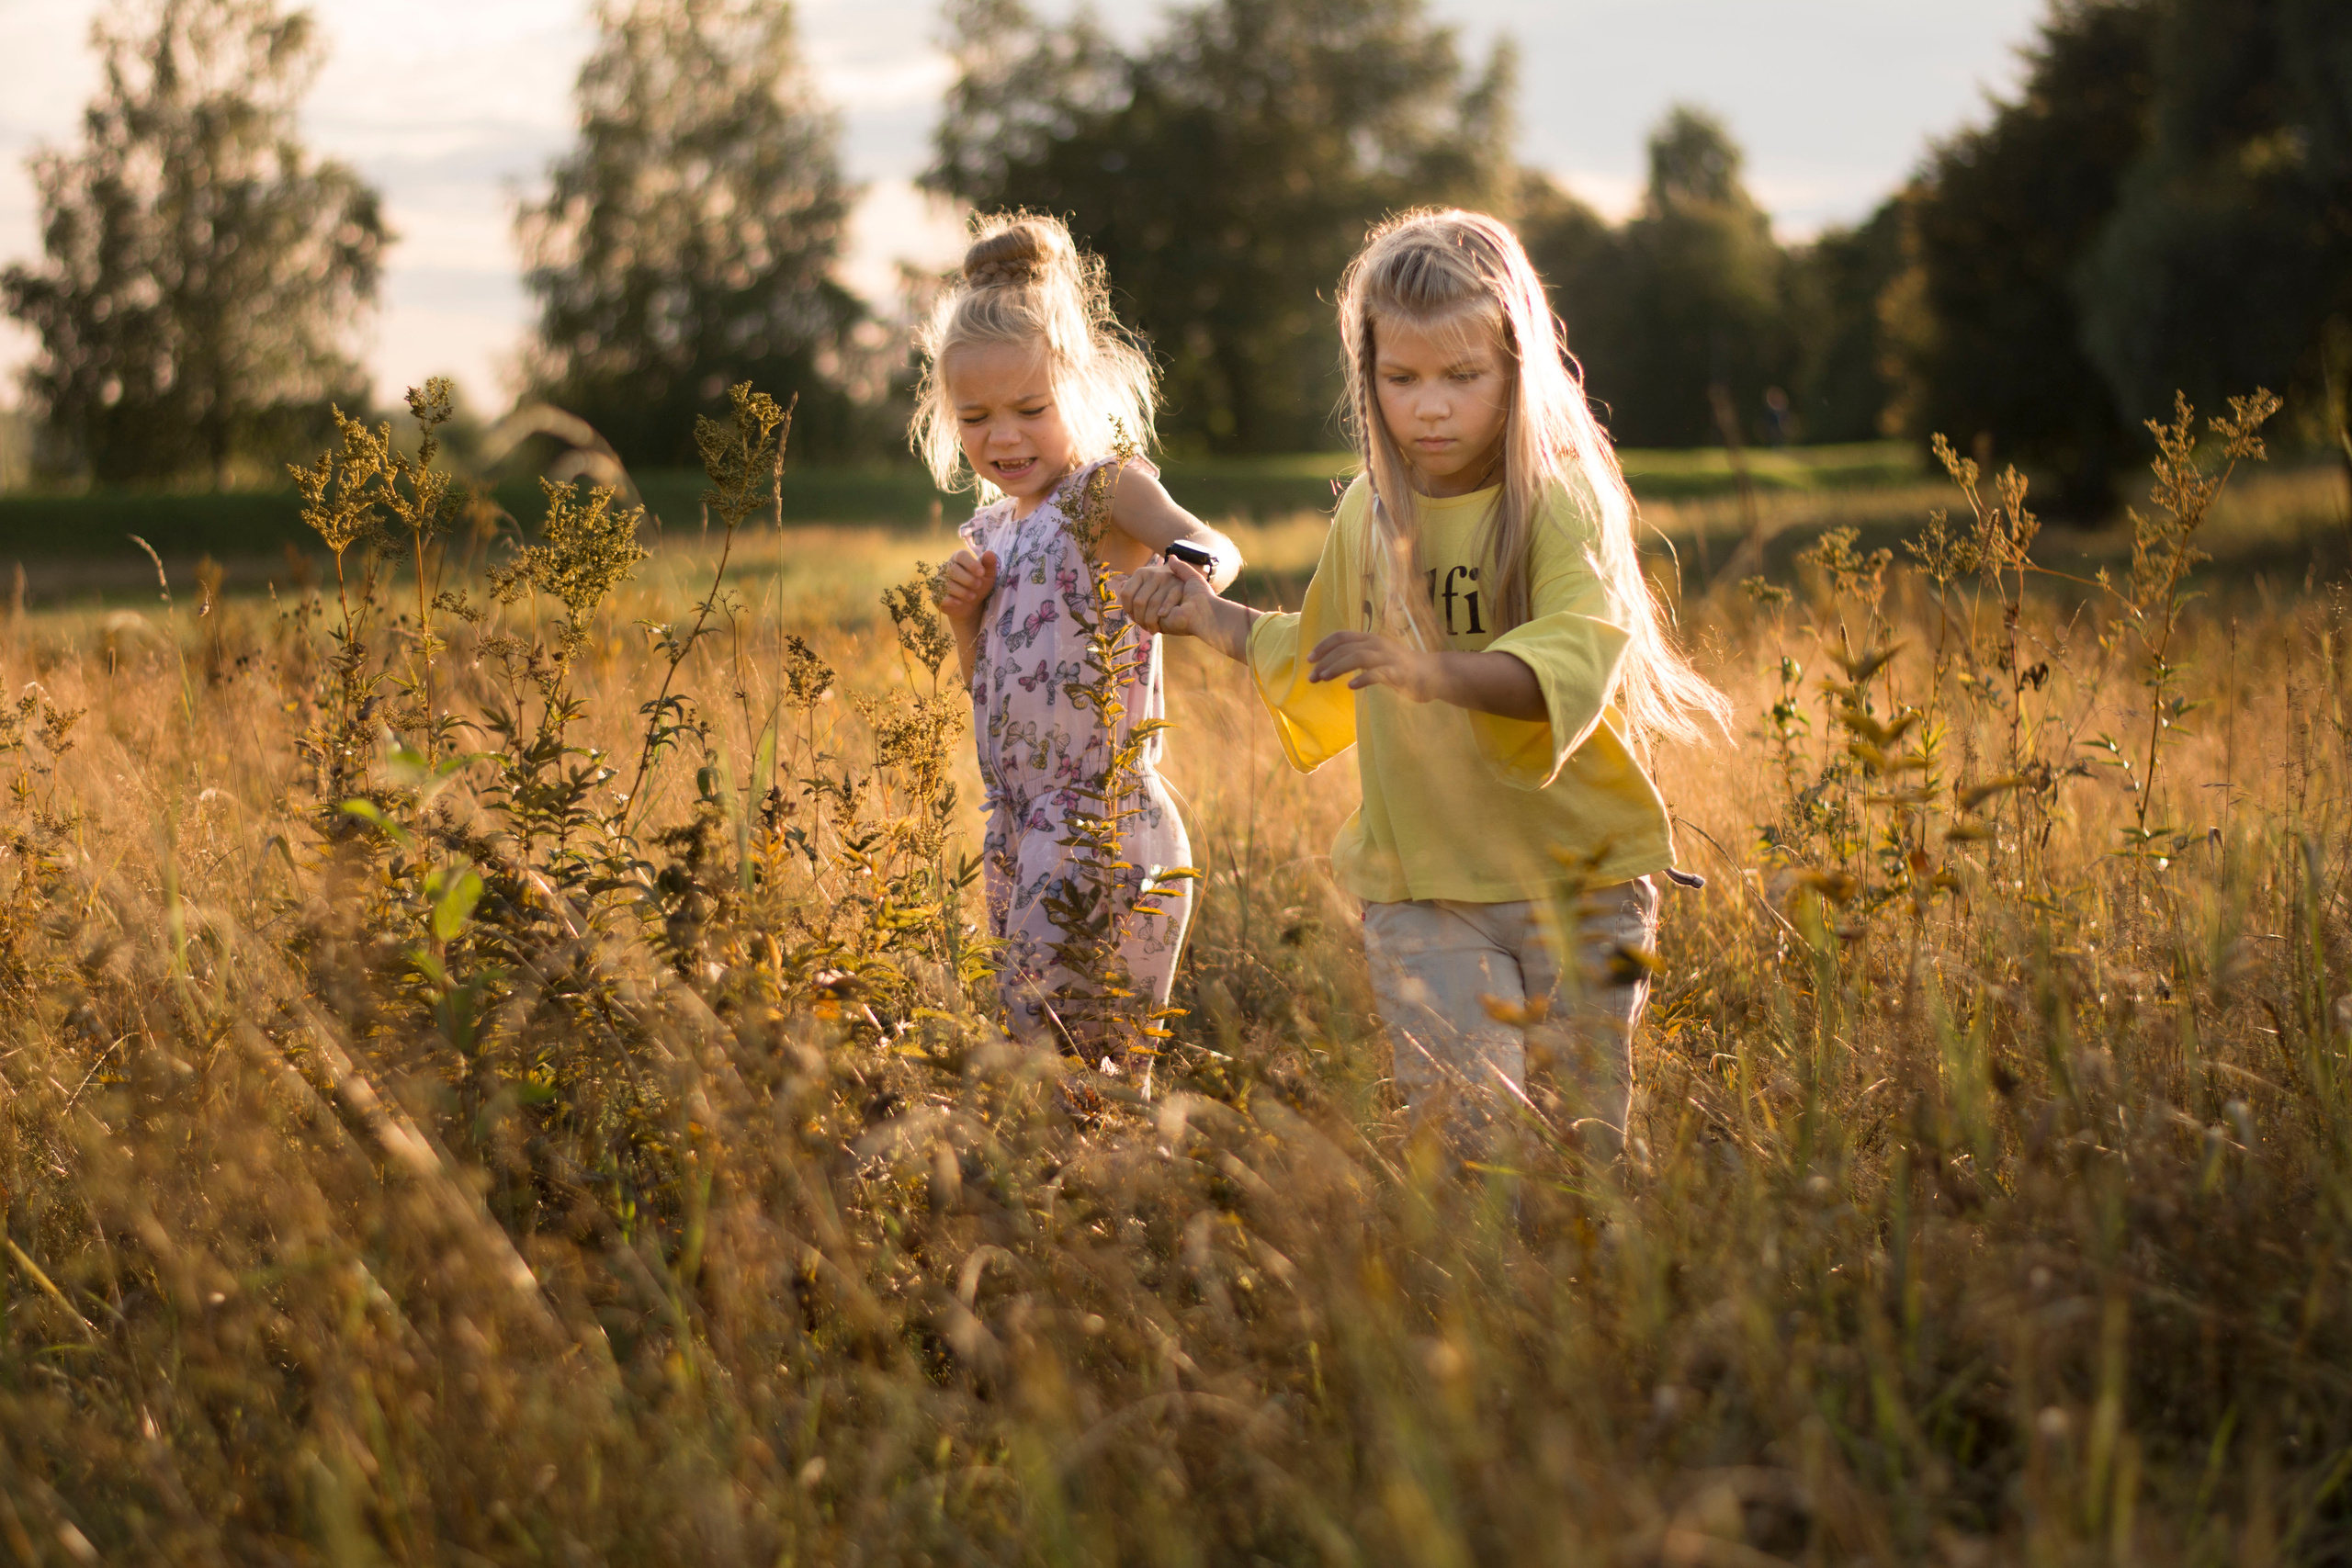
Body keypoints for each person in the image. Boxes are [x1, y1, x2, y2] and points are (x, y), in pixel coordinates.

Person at [1120, 209, 1730, 1153]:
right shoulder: (1367, 513)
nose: (1429, 407)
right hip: (1421, 885)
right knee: (1471, 1144)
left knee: (1580, 1154)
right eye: (1400, 379)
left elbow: (1570, 655)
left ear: (1516, 370)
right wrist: (1206, 616)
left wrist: (1431, 671)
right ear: (1367, 379)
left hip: (1576, 880)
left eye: (1461, 376)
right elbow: (1320, 649)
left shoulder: (1557, 504)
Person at [920, 213, 1241, 1059]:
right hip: (1018, 827)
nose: (1004, 436)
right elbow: (989, 688)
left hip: (1101, 821)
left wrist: (1183, 578)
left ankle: (1117, 1185)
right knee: (1056, 1067)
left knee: (1070, 1062)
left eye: (1031, 407)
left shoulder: (1104, 492)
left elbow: (1211, 543)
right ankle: (1094, 1190)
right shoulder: (988, 531)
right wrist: (964, 618)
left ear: (1081, 391)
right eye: (976, 416)